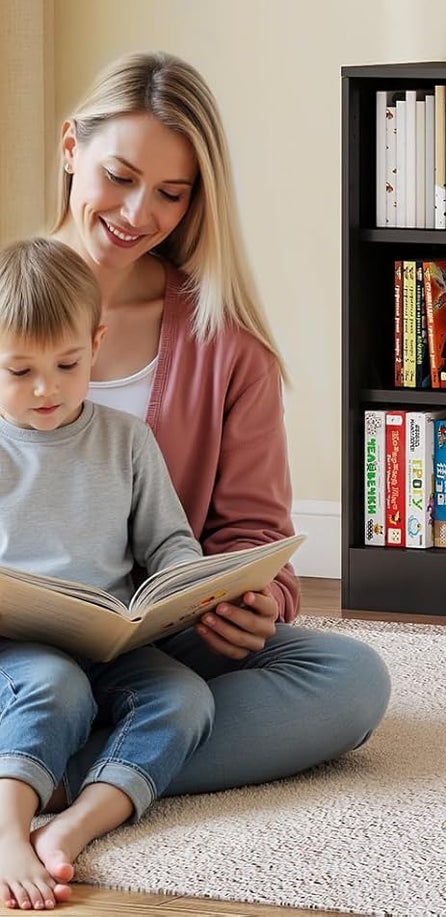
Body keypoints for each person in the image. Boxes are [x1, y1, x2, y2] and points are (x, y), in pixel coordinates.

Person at [50, 51, 390, 804]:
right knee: (52, 683)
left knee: (350, 679)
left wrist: (253, 602)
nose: (137, 213)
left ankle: (54, 772)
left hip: (155, 647)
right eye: (119, 176)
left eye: (170, 194)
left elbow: (255, 536)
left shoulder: (226, 345)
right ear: (72, 148)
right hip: (19, 646)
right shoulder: (13, 304)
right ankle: (107, 750)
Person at [0, 238, 217, 910]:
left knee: (186, 698)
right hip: (19, 651)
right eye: (19, 370)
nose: (46, 388)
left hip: (110, 640)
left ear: (96, 343)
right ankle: (7, 828)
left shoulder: (127, 440)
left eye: (67, 364)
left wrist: (185, 588)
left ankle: (75, 823)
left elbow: (170, 543)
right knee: (54, 685)